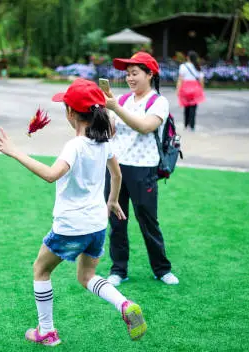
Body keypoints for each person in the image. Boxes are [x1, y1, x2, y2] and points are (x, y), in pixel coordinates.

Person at [0, 78, 147, 346]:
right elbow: (116, 173)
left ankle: (47, 332)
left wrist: (15, 152)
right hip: (96, 225)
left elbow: (51, 175)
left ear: (71, 113)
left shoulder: (75, 146)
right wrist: (113, 200)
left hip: (71, 226)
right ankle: (124, 304)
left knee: (41, 269)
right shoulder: (104, 142)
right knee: (86, 277)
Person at [103, 51, 179, 286]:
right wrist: (106, 114)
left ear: (150, 74)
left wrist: (116, 108)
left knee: (147, 220)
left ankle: (161, 269)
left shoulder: (159, 102)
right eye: (127, 74)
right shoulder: (124, 100)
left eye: (135, 73)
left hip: (144, 169)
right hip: (116, 167)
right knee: (116, 221)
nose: (130, 78)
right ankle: (119, 270)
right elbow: (112, 129)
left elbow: (145, 127)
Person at [176, 51, 205, 131]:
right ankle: (192, 126)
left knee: (186, 107)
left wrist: (178, 89)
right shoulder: (197, 67)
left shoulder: (183, 66)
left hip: (185, 88)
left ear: (188, 57)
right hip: (195, 89)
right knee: (193, 108)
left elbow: (180, 79)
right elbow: (201, 80)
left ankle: (185, 125)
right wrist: (201, 90)